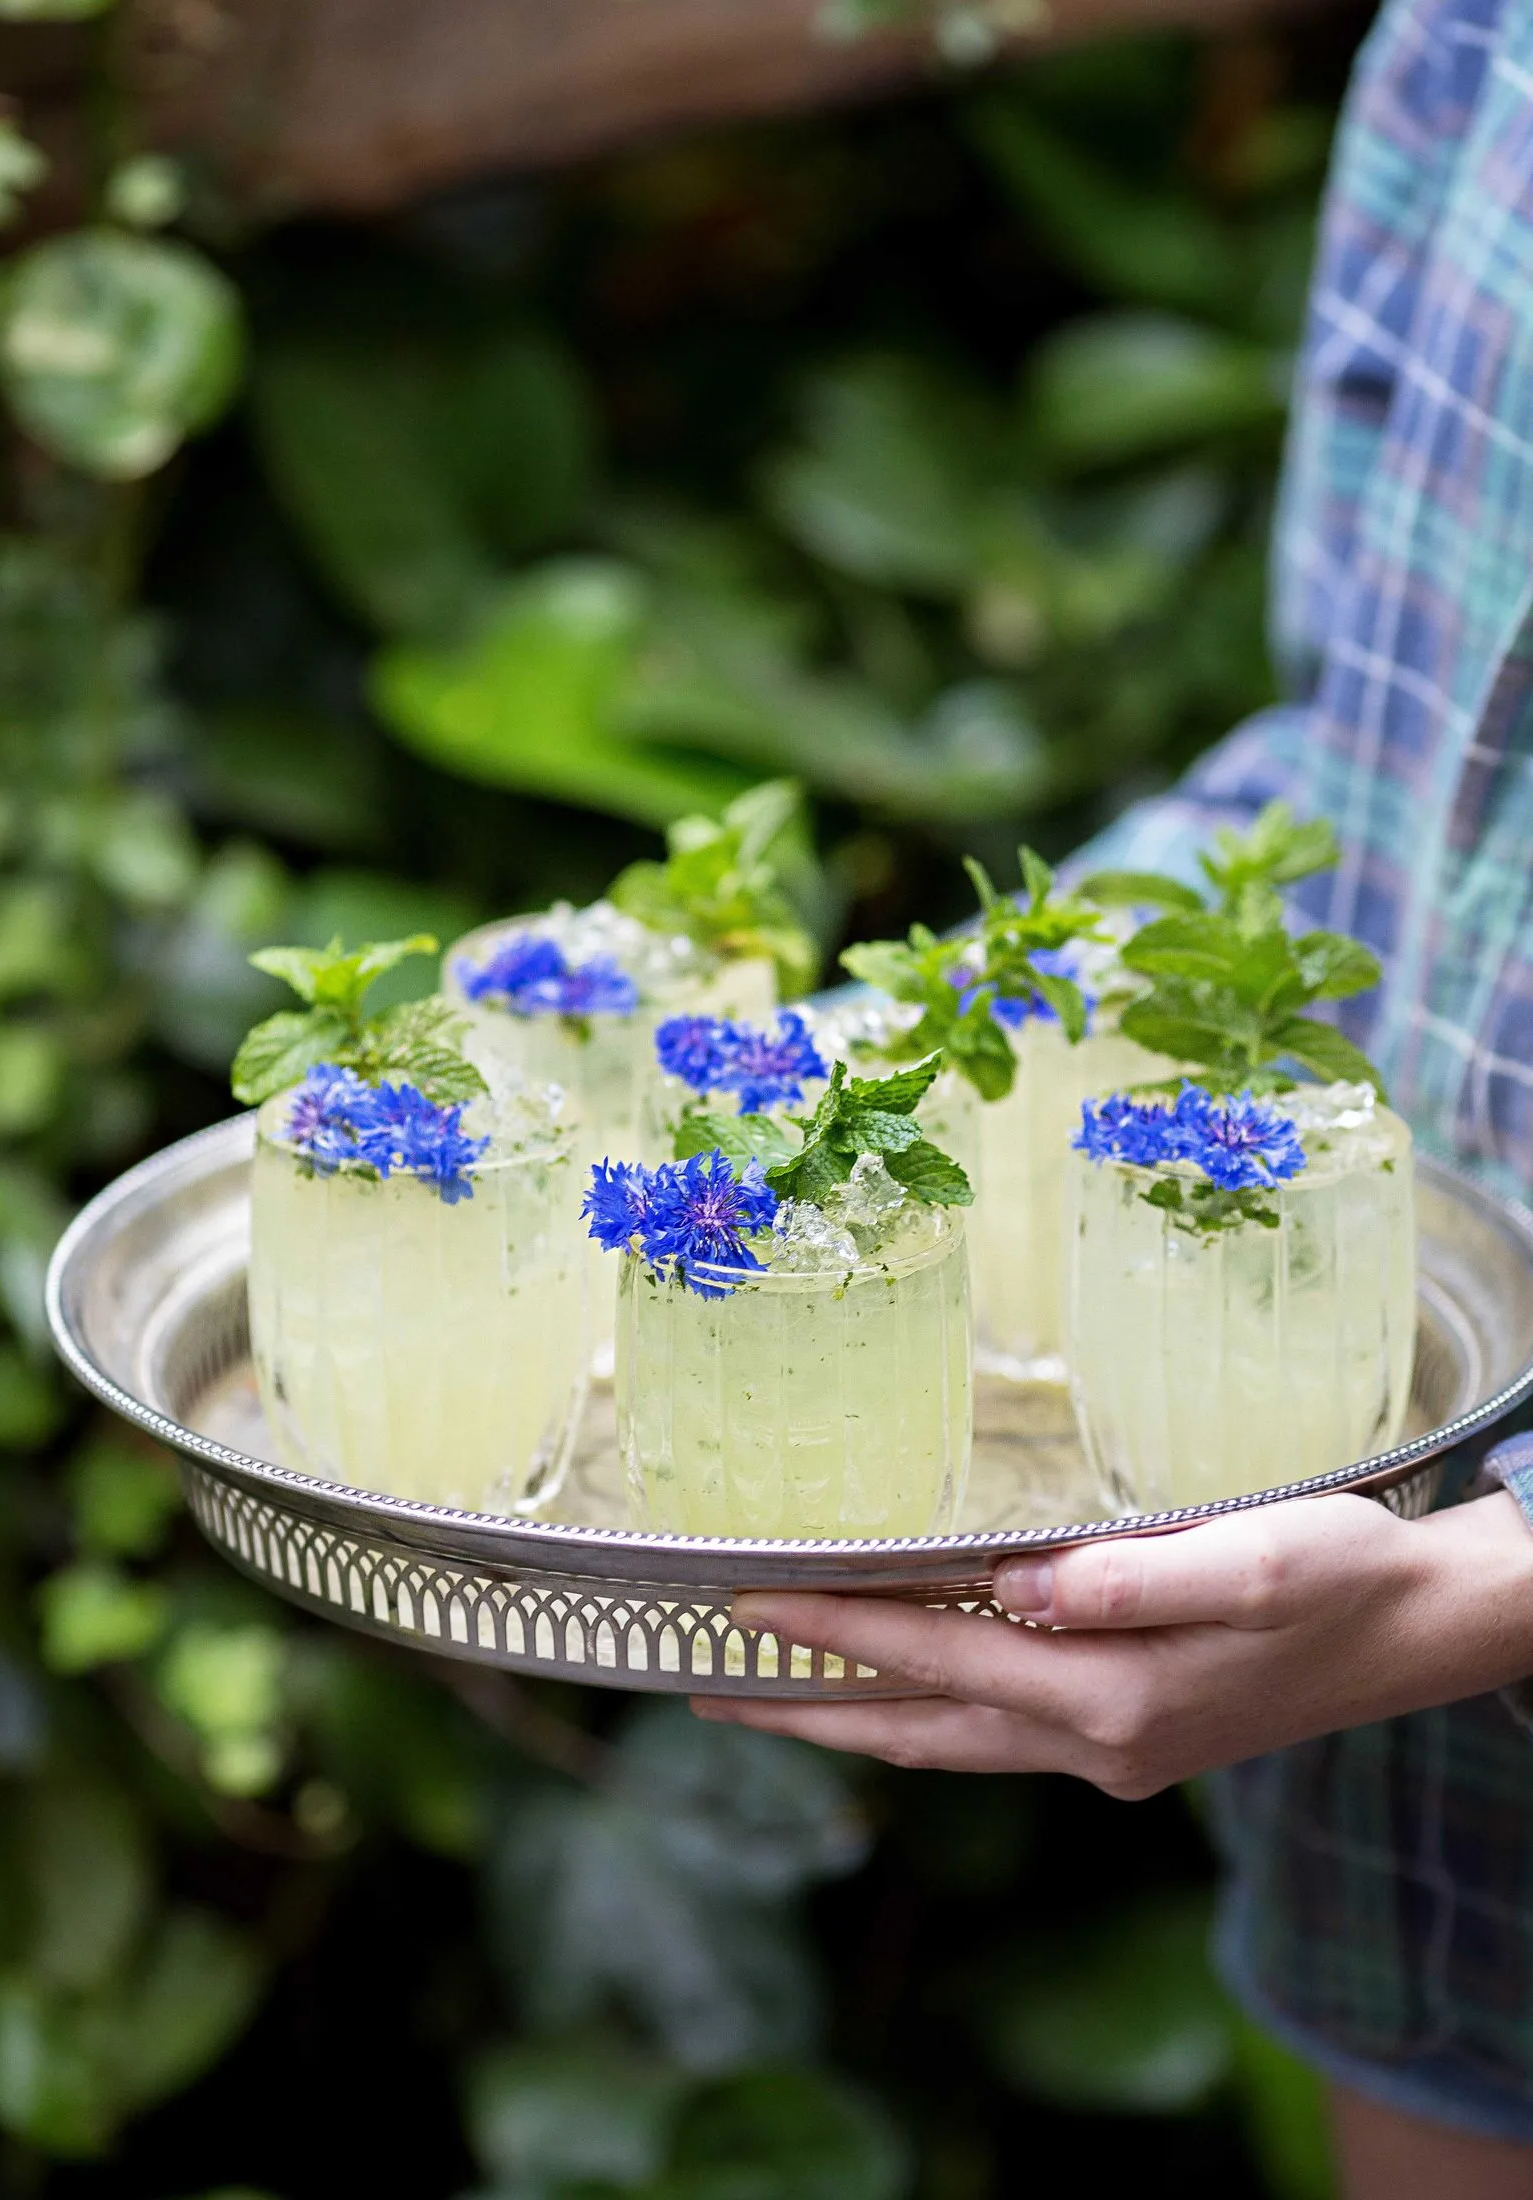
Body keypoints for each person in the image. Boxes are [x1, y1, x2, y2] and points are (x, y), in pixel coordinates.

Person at [692, 1, 1533, 2191]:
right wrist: (956, 1020)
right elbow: (1364, 746)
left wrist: (1496, 1585)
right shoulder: (1471, 38)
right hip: (1439, 1889)